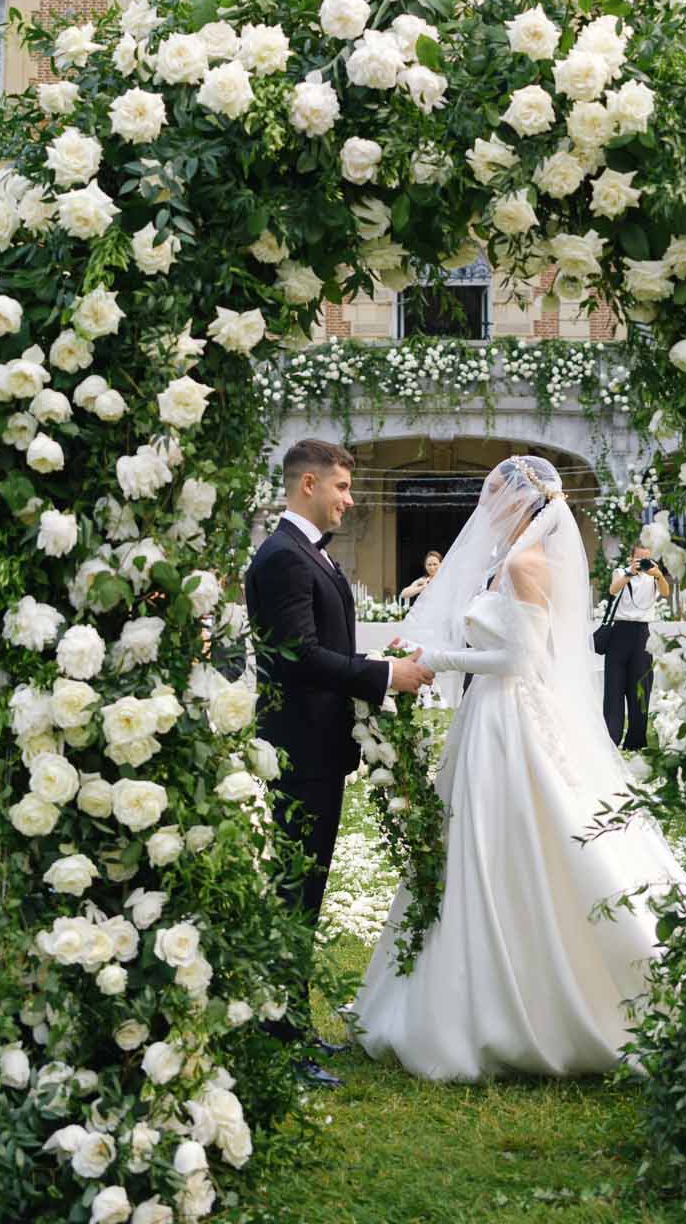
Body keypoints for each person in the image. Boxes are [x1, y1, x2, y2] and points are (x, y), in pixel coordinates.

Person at [357, 455, 686, 1080]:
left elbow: (518, 657)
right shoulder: (504, 562)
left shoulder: (522, 563)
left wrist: (438, 657)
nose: (484, 506)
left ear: (519, 503)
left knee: (514, 839)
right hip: (488, 717)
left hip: (511, 717)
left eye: (492, 495)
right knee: (479, 847)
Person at [244, 437, 431, 1087]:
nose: (350, 501)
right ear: (307, 487)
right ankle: (277, 1037)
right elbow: (299, 656)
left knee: (305, 890)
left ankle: (286, 1024)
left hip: (317, 751)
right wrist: (385, 675)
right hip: (297, 753)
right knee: (293, 894)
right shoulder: (282, 558)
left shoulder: (306, 556)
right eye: (342, 489)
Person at [603, 539, 672, 750]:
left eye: (646, 558)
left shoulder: (653, 576)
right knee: (614, 690)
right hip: (619, 633)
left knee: (640, 690)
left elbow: (666, 592)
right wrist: (629, 574)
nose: (642, 562)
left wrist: (658, 574)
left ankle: (635, 742)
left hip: (642, 635)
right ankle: (611, 740)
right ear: (631, 558)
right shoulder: (620, 572)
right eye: (639, 558)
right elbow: (613, 590)